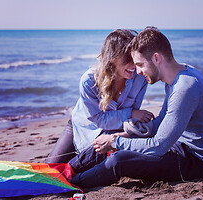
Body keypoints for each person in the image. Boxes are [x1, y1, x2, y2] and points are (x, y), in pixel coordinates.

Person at [70, 27, 203, 187]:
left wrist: (115, 141)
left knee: (119, 160)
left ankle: (71, 183)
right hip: (178, 146)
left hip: (196, 161)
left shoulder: (185, 87)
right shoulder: (176, 79)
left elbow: (159, 146)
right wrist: (123, 135)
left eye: (140, 65)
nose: (138, 72)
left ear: (156, 58)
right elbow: (161, 123)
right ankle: (68, 169)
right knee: (112, 139)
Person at [45, 29, 154, 163]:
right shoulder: (89, 80)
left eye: (135, 57)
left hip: (113, 131)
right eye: (128, 58)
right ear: (113, 57)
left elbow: (129, 119)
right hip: (83, 126)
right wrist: (130, 113)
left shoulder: (140, 78)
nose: (134, 64)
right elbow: (100, 119)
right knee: (51, 166)